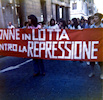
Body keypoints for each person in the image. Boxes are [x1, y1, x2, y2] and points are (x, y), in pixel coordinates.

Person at [88, 13, 103, 79]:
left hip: (101, 45)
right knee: (92, 60)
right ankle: (92, 72)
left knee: (101, 60)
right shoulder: (92, 27)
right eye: (94, 17)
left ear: (100, 19)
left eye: (96, 17)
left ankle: (102, 73)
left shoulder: (102, 26)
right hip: (93, 45)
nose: (94, 19)